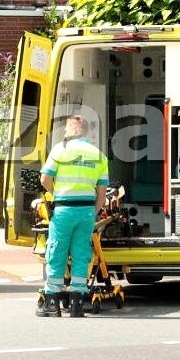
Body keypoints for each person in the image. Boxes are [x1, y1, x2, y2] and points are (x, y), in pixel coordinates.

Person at [37, 114, 109, 318]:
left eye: (67, 129)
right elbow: (102, 193)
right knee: (81, 255)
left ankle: (52, 302)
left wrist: (56, 193)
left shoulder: (61, 149)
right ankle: (77, 302)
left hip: (64, 209)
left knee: (56, 252)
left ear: (75, 129)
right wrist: (92, 212)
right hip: (86, 211)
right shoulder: (99, 155)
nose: (65, 133)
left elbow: (44, 179)